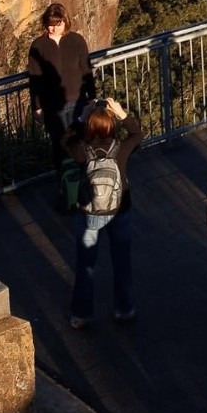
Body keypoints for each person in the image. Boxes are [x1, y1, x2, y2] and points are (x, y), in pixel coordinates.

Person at [64, 99, 144, 330]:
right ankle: (124, 308)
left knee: (86, 265)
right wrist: (121, 114)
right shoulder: (121, 149)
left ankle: (81, 314)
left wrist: (82, 116)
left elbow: (64, 139)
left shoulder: (81, 151)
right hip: (120, 209)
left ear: (89, 126)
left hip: (89, 213)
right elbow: (138, 134)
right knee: (121, 261)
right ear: (112, 126)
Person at [28, 2, 95, 169]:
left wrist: (92, 97)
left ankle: (83, 181)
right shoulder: (38, 46)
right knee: (59, 146)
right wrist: (37, 107)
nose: (53, 28)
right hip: (52, 106)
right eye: (50, 24)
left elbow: (86, 70)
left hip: (78, 102)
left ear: (65, 21)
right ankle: (65, 185)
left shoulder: (77, 40)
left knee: (81, 143)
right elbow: (35, 79)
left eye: (57, 24)